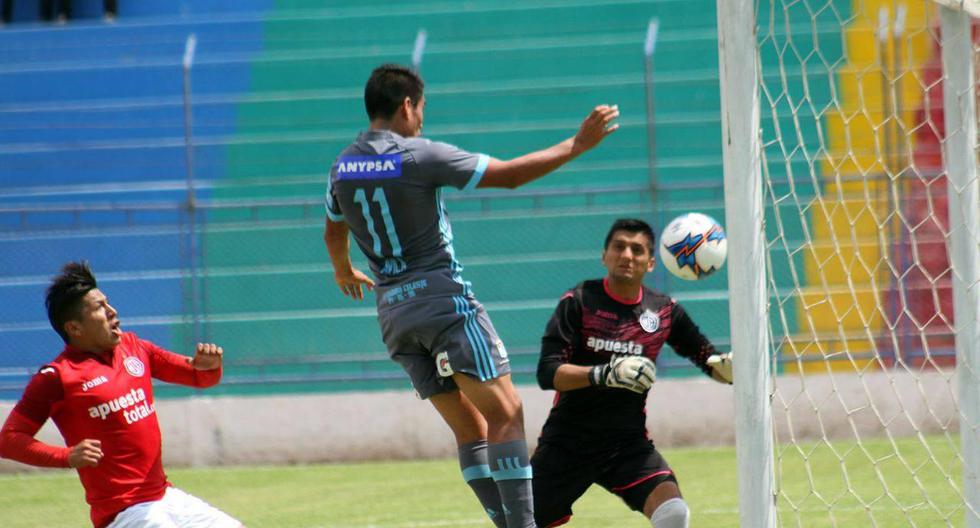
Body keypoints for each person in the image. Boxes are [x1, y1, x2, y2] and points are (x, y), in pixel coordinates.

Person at [323, 63, 619, 528]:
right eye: (420, 110)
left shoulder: (342, 166)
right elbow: (510, 175)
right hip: (444, 304)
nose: (421, 120)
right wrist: (576, 146)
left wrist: (343, 271)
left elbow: (333, 227)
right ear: (406, 106)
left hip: (395, 316)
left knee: (471, 430)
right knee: (507, 413)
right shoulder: (419, 156)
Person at [0, 262, 243, 528]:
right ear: (75, 328)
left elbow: (198, 376)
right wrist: (66, 456)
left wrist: (209, 367)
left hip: (166, 497)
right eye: (99, 308)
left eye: (108, 303)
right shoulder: (57, 377)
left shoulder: (134, 347)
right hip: (126, 513)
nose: (112, 312)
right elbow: (9, 440)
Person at [531, 218, 733, 528]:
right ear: (604, 256)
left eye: (637, 250)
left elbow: (709, 360)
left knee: (674, 513)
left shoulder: (665, 311)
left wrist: (728, 367)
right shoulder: (580, 301)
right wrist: (604, 374)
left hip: (627, 446)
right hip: (567, 443)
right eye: (619, 246)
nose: (627, 255)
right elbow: (548, 372)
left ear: (651, 262)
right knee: (521, 522)